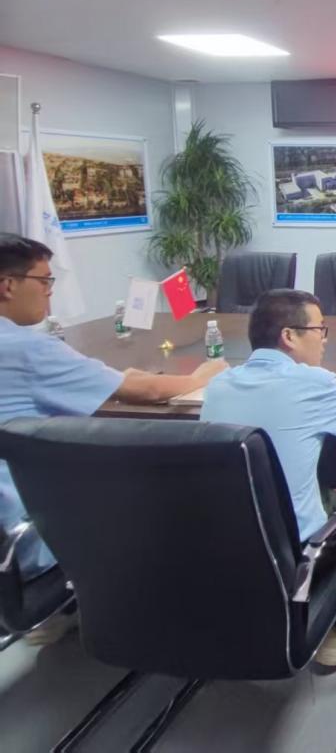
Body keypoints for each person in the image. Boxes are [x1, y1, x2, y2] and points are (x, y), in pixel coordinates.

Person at [0, 233, 226, 643]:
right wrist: (202, 375)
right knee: (178, 488)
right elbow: (146, 391)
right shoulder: (26, 349)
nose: (50, 293)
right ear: (8, 285)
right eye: (44, 281)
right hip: (28, 538)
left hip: (7, 531)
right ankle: (186, 623)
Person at [199, 288, 336, 667]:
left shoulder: (218, 386)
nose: (324, 340)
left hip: (228, 546)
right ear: (289, 336)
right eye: (319, 330)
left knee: (315, 485)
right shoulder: (316, 383)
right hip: (297, 549)